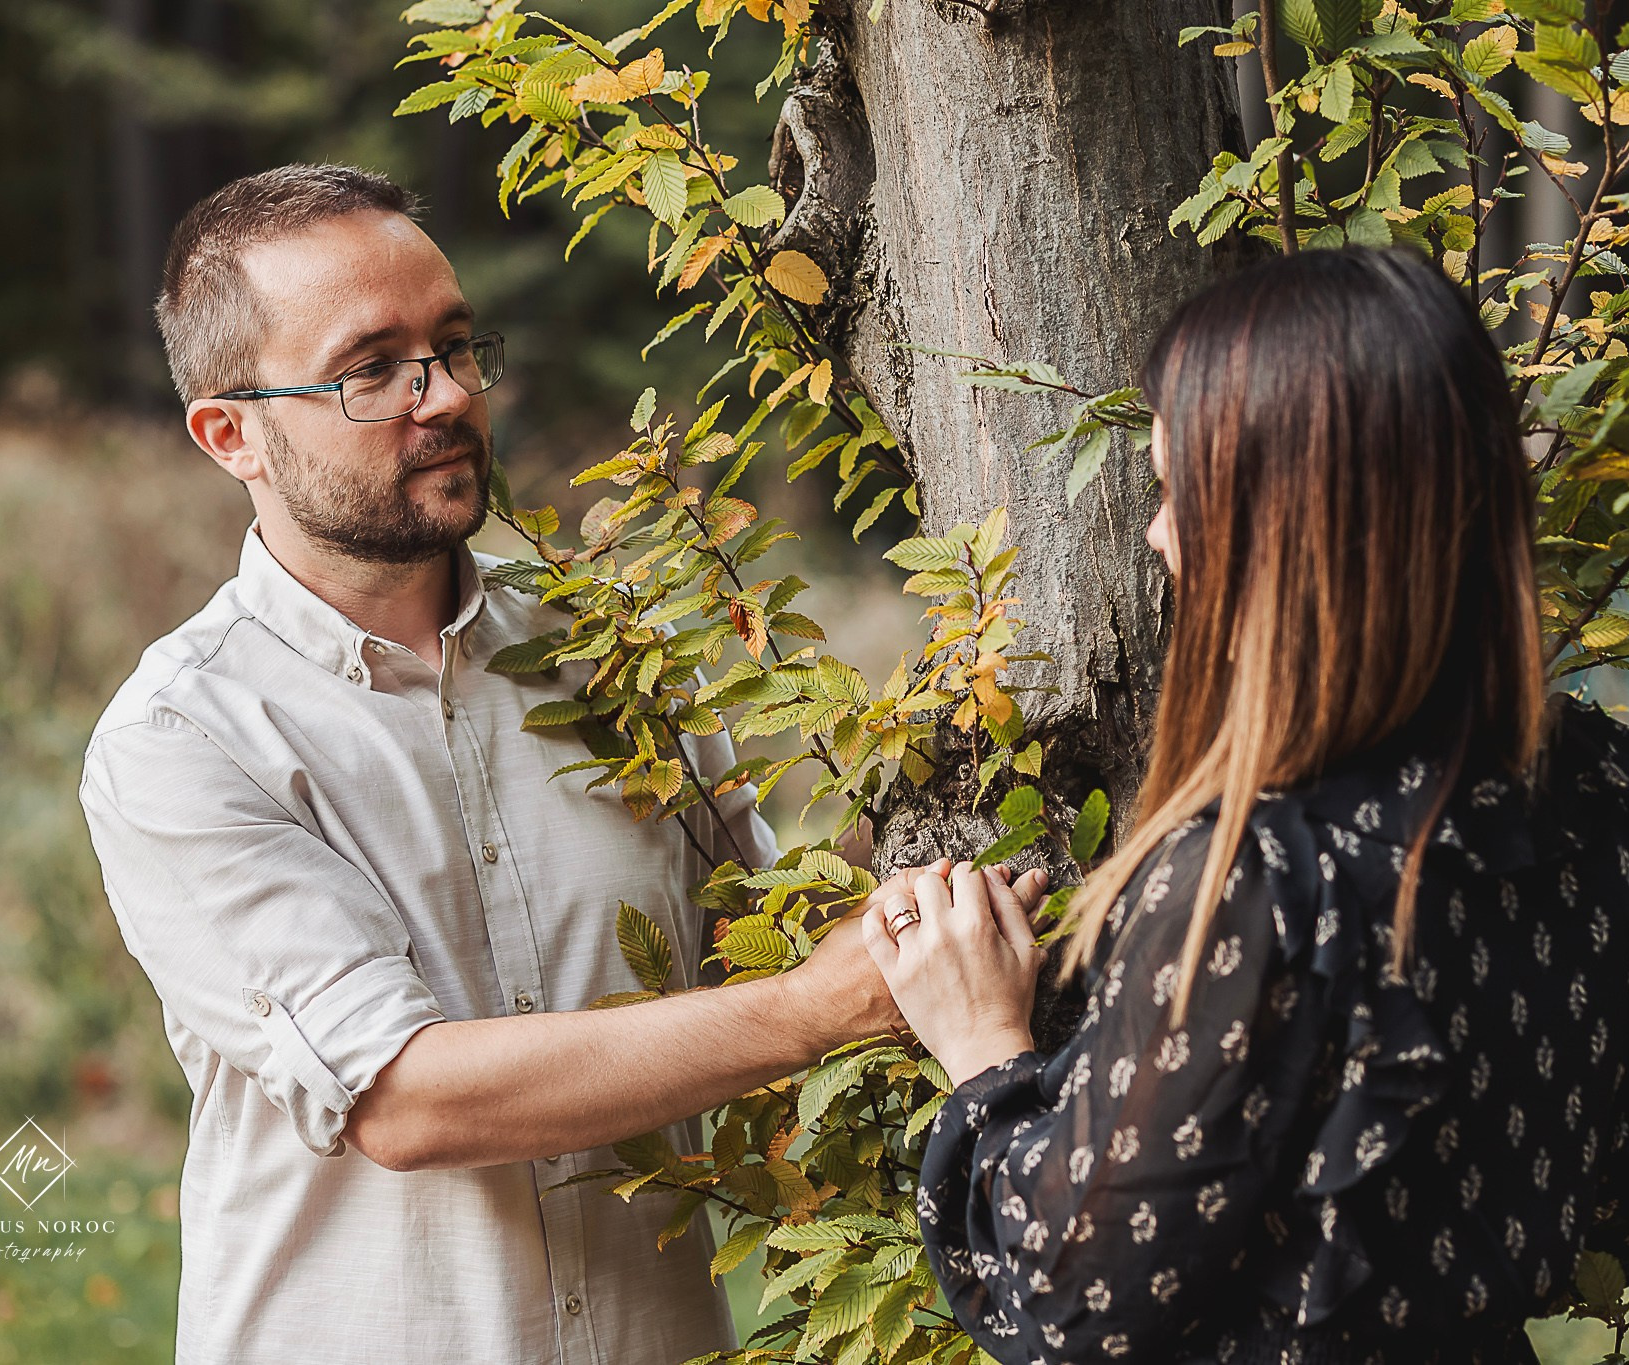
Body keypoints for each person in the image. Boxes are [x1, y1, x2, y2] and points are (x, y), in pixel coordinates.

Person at [77, 164, 1013, 1364]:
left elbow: (749, 933)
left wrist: (916, 799)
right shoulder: (188, 739)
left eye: (458, 346)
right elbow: (406, 1101)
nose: (449, 396)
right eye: (373, 369)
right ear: (230, 434)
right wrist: (809, 1010)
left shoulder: (615, 654)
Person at [863, 246, 1629, 1365]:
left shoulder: (1263, 878)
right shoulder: (1589, 796)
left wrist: (983, 1042)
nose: (1154, 535)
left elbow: (1070, 1307)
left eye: (1179, 493)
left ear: (1280, 535)